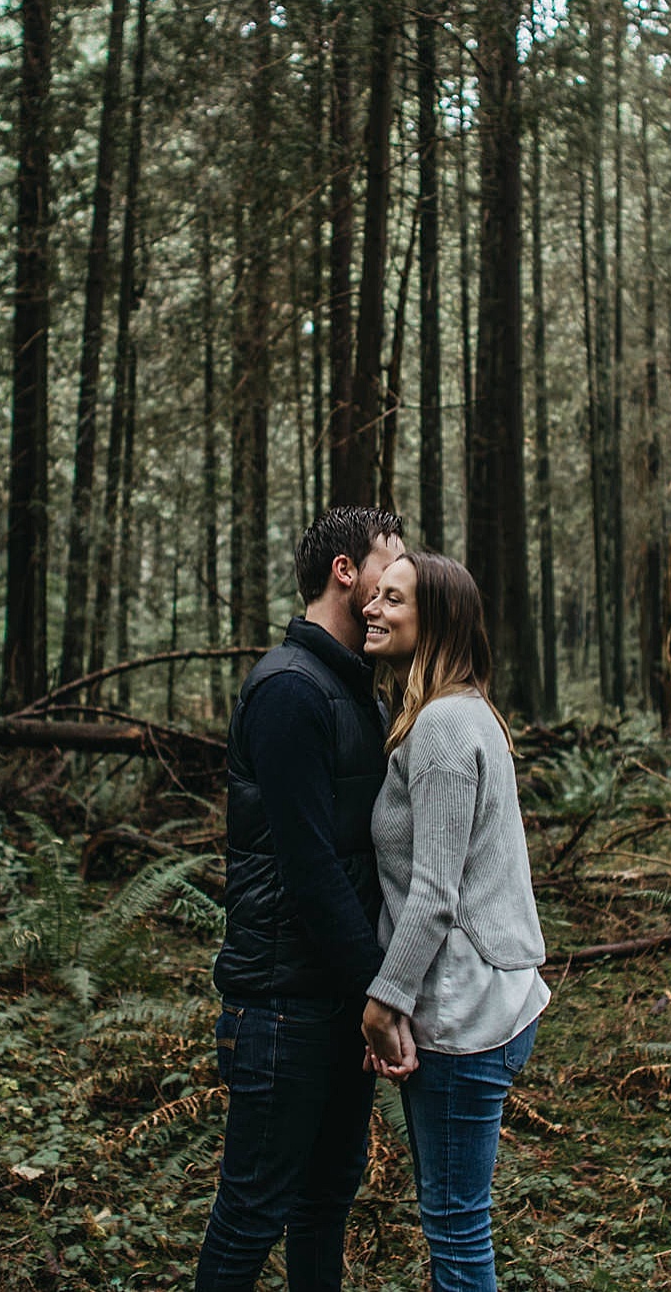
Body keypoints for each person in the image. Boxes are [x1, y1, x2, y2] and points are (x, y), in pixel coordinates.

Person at [196, 506, 406, 1292]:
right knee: (252, 1212)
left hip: (338, 1000)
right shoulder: (289, 689)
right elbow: (310, 866)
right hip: (282, 1008)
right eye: (391, 560)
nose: (401, 578)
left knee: (325, 1208)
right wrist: (382, 992)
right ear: (346, 572)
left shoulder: (361, 693)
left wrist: (371, 995)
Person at [358, 551, 549, 1292]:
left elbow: (435, 893)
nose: (374, 609)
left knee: (457, 1227)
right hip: (488, 995)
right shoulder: (465, 712)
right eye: (375, 596)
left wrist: (385, 1002)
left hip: (464, 1012)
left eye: (394, 600)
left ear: (433, 620)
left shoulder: (439, 728)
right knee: (456, 1222)